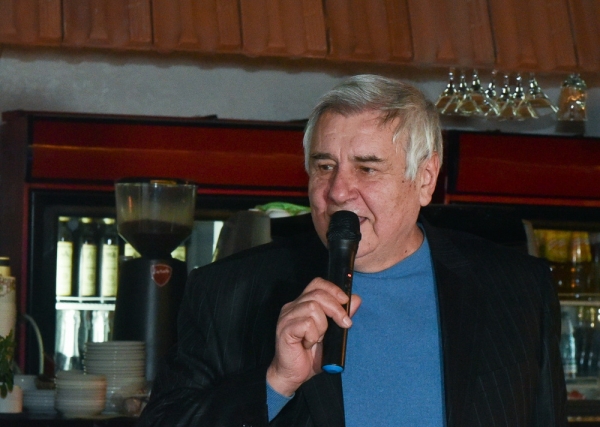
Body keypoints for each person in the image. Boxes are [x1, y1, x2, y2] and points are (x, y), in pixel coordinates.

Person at [138, 75, 567, 426]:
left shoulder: (518, 289)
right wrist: (275, 383)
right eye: (325, 166)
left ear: (425, 179)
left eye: (367, 168)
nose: (339, 191)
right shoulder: (227, 293)